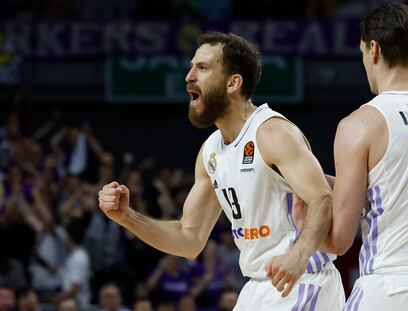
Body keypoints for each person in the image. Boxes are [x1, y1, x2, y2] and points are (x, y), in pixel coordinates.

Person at [98, 31, 345, 309]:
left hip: (302, 282)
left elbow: (321, 197)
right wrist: (126, 217)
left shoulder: (272, 132)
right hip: (256, 288)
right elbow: (188, 239)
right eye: (192, 67)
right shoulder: (211, 151)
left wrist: (299, 256)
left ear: (233, 82)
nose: (189, 76)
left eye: (202, 68)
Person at [321, 3, 408, 310]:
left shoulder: (361, 124)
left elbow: (339, 240)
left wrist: (302, 219)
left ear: (374, 49)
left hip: (391, 285)